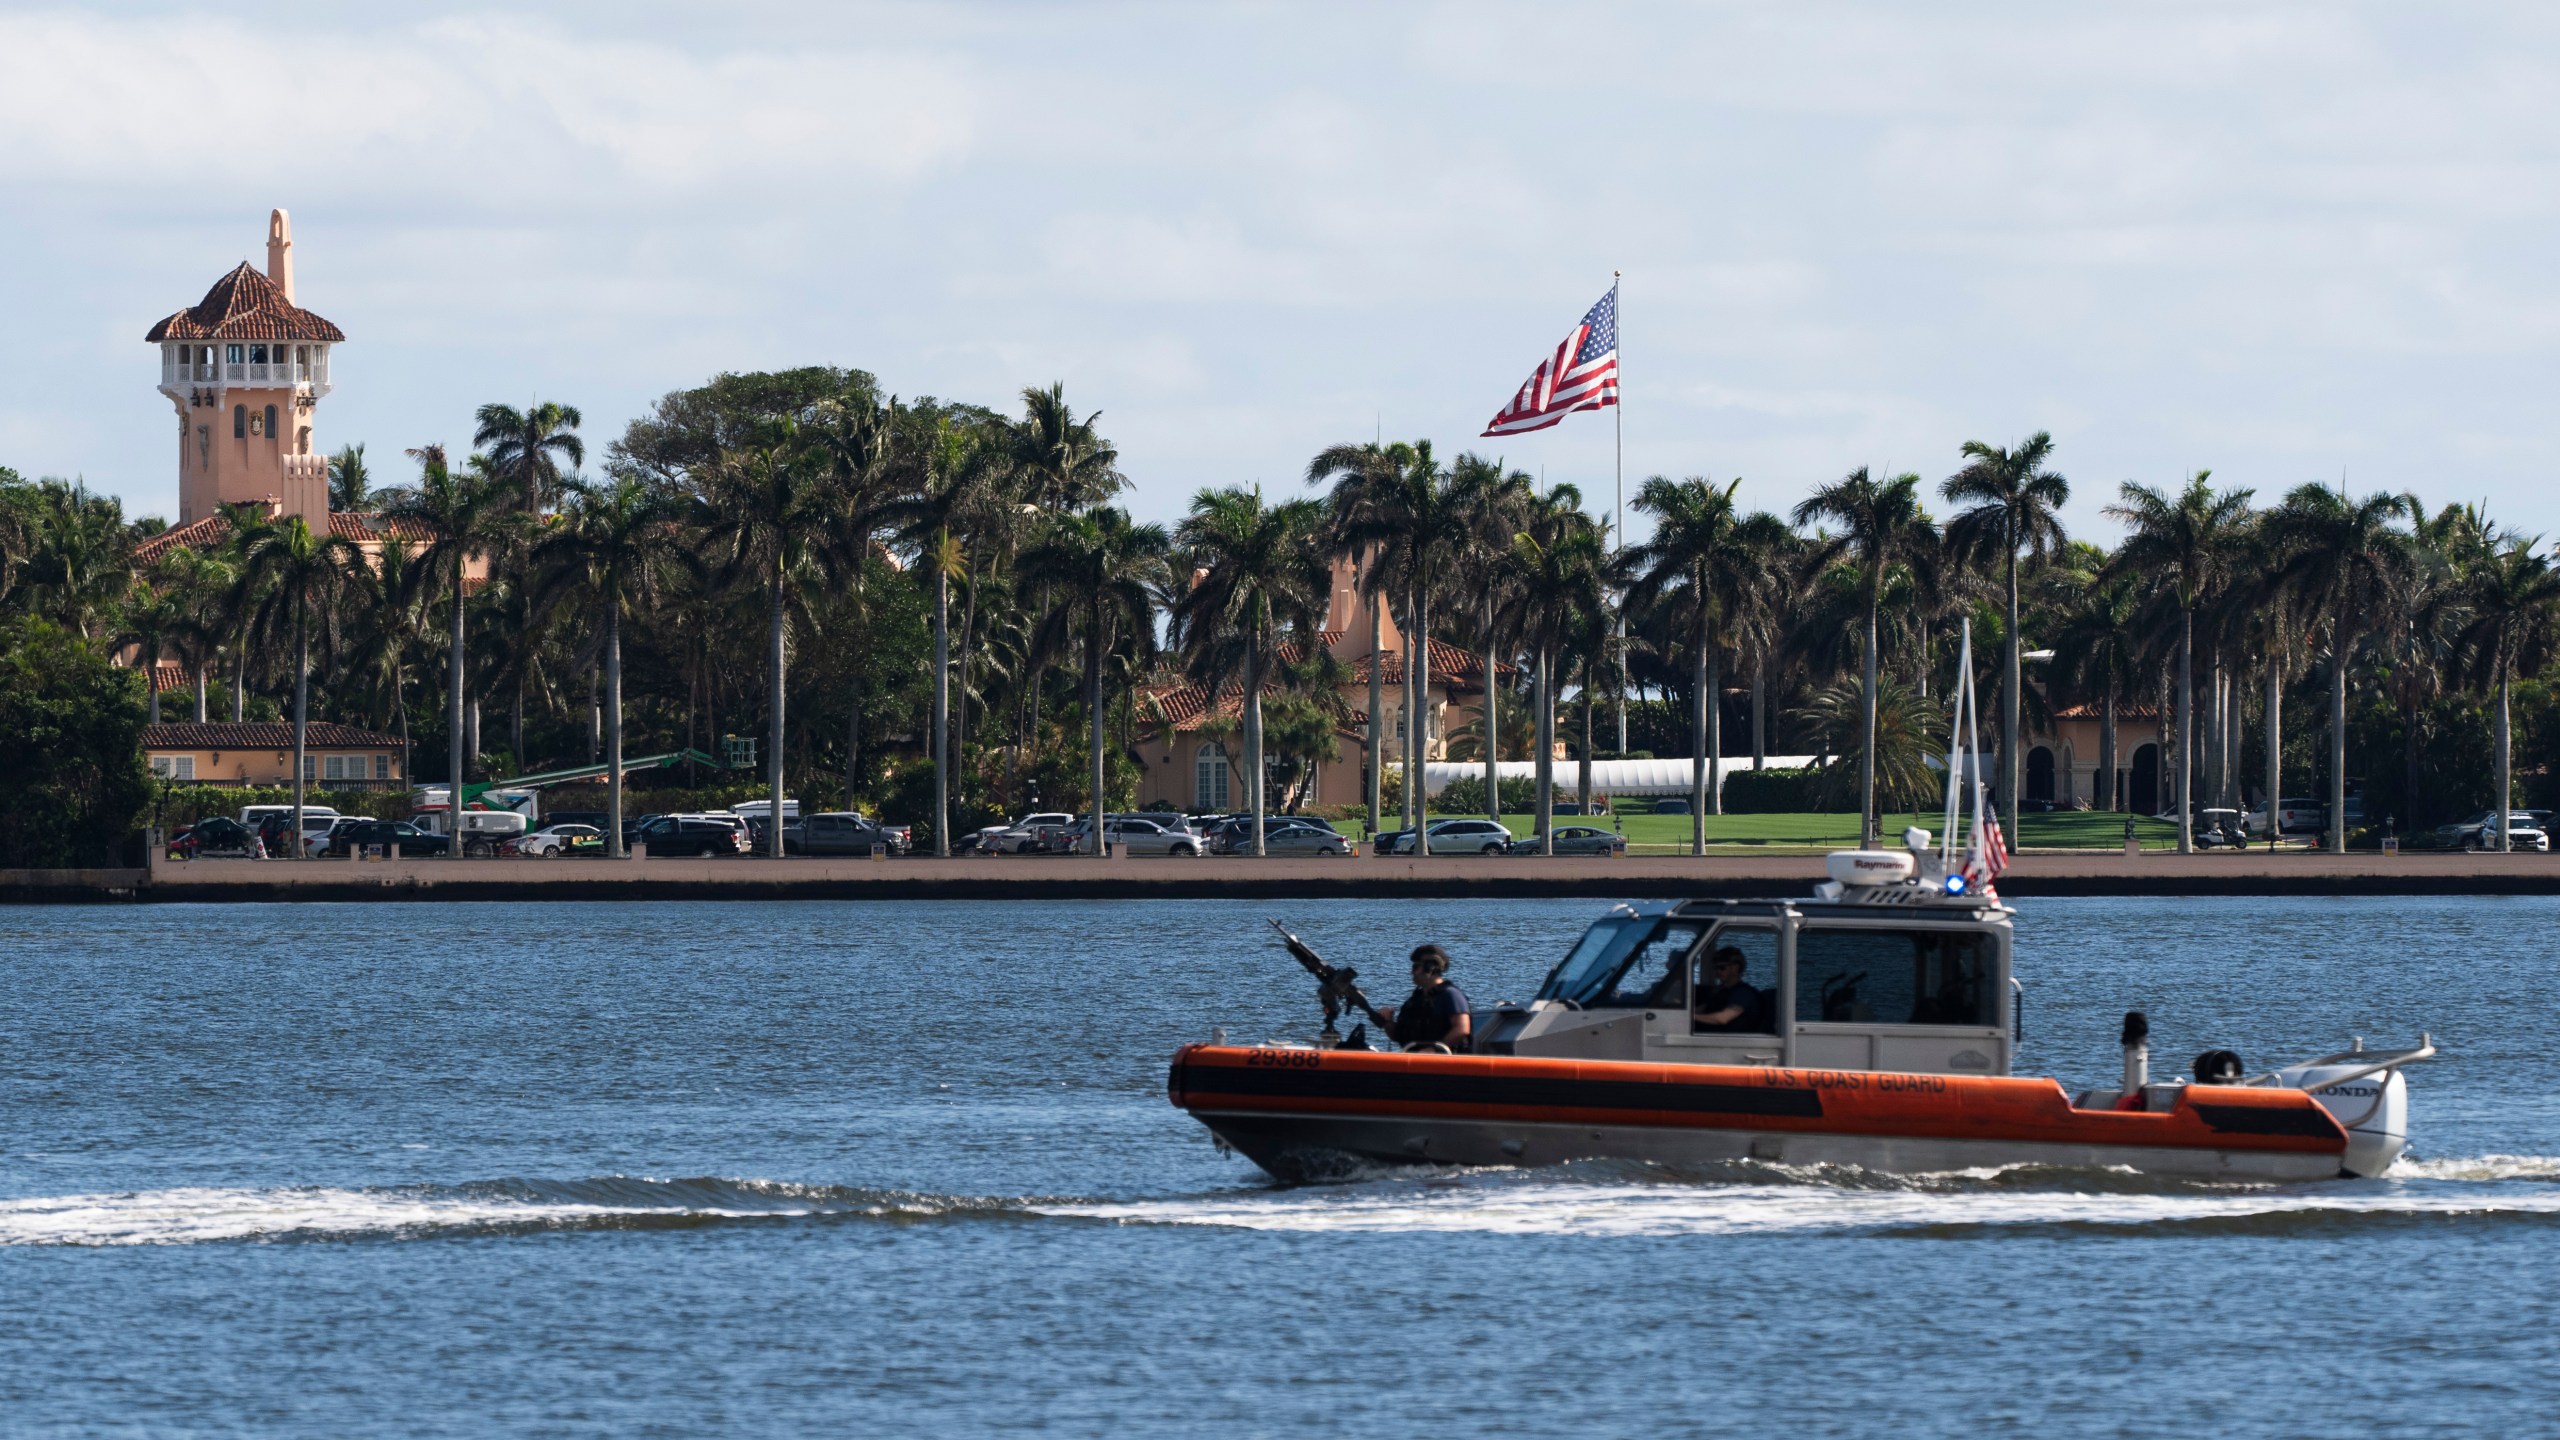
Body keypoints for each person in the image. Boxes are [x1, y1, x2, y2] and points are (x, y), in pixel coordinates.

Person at [1382, 944, 1472, 1052]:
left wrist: (1434, 1049)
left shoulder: (1451, 995)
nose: (1412, 972)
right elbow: (1397, 1036)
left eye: (1415, 967)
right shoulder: (1415, 1001)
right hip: (1413, 1061)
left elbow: (1462, 1029)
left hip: (1444, 1063)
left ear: (1430, 967)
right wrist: (1387, 1021)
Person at [1693, 947, 1760, 1032]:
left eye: (1722, 967)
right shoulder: (1720, 991)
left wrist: (1689, 1017)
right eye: (1716, 968)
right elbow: (1703, 1008)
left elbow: (1723, 1018)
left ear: (1735, 968)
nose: (1718, 971)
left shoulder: (1743, 994)